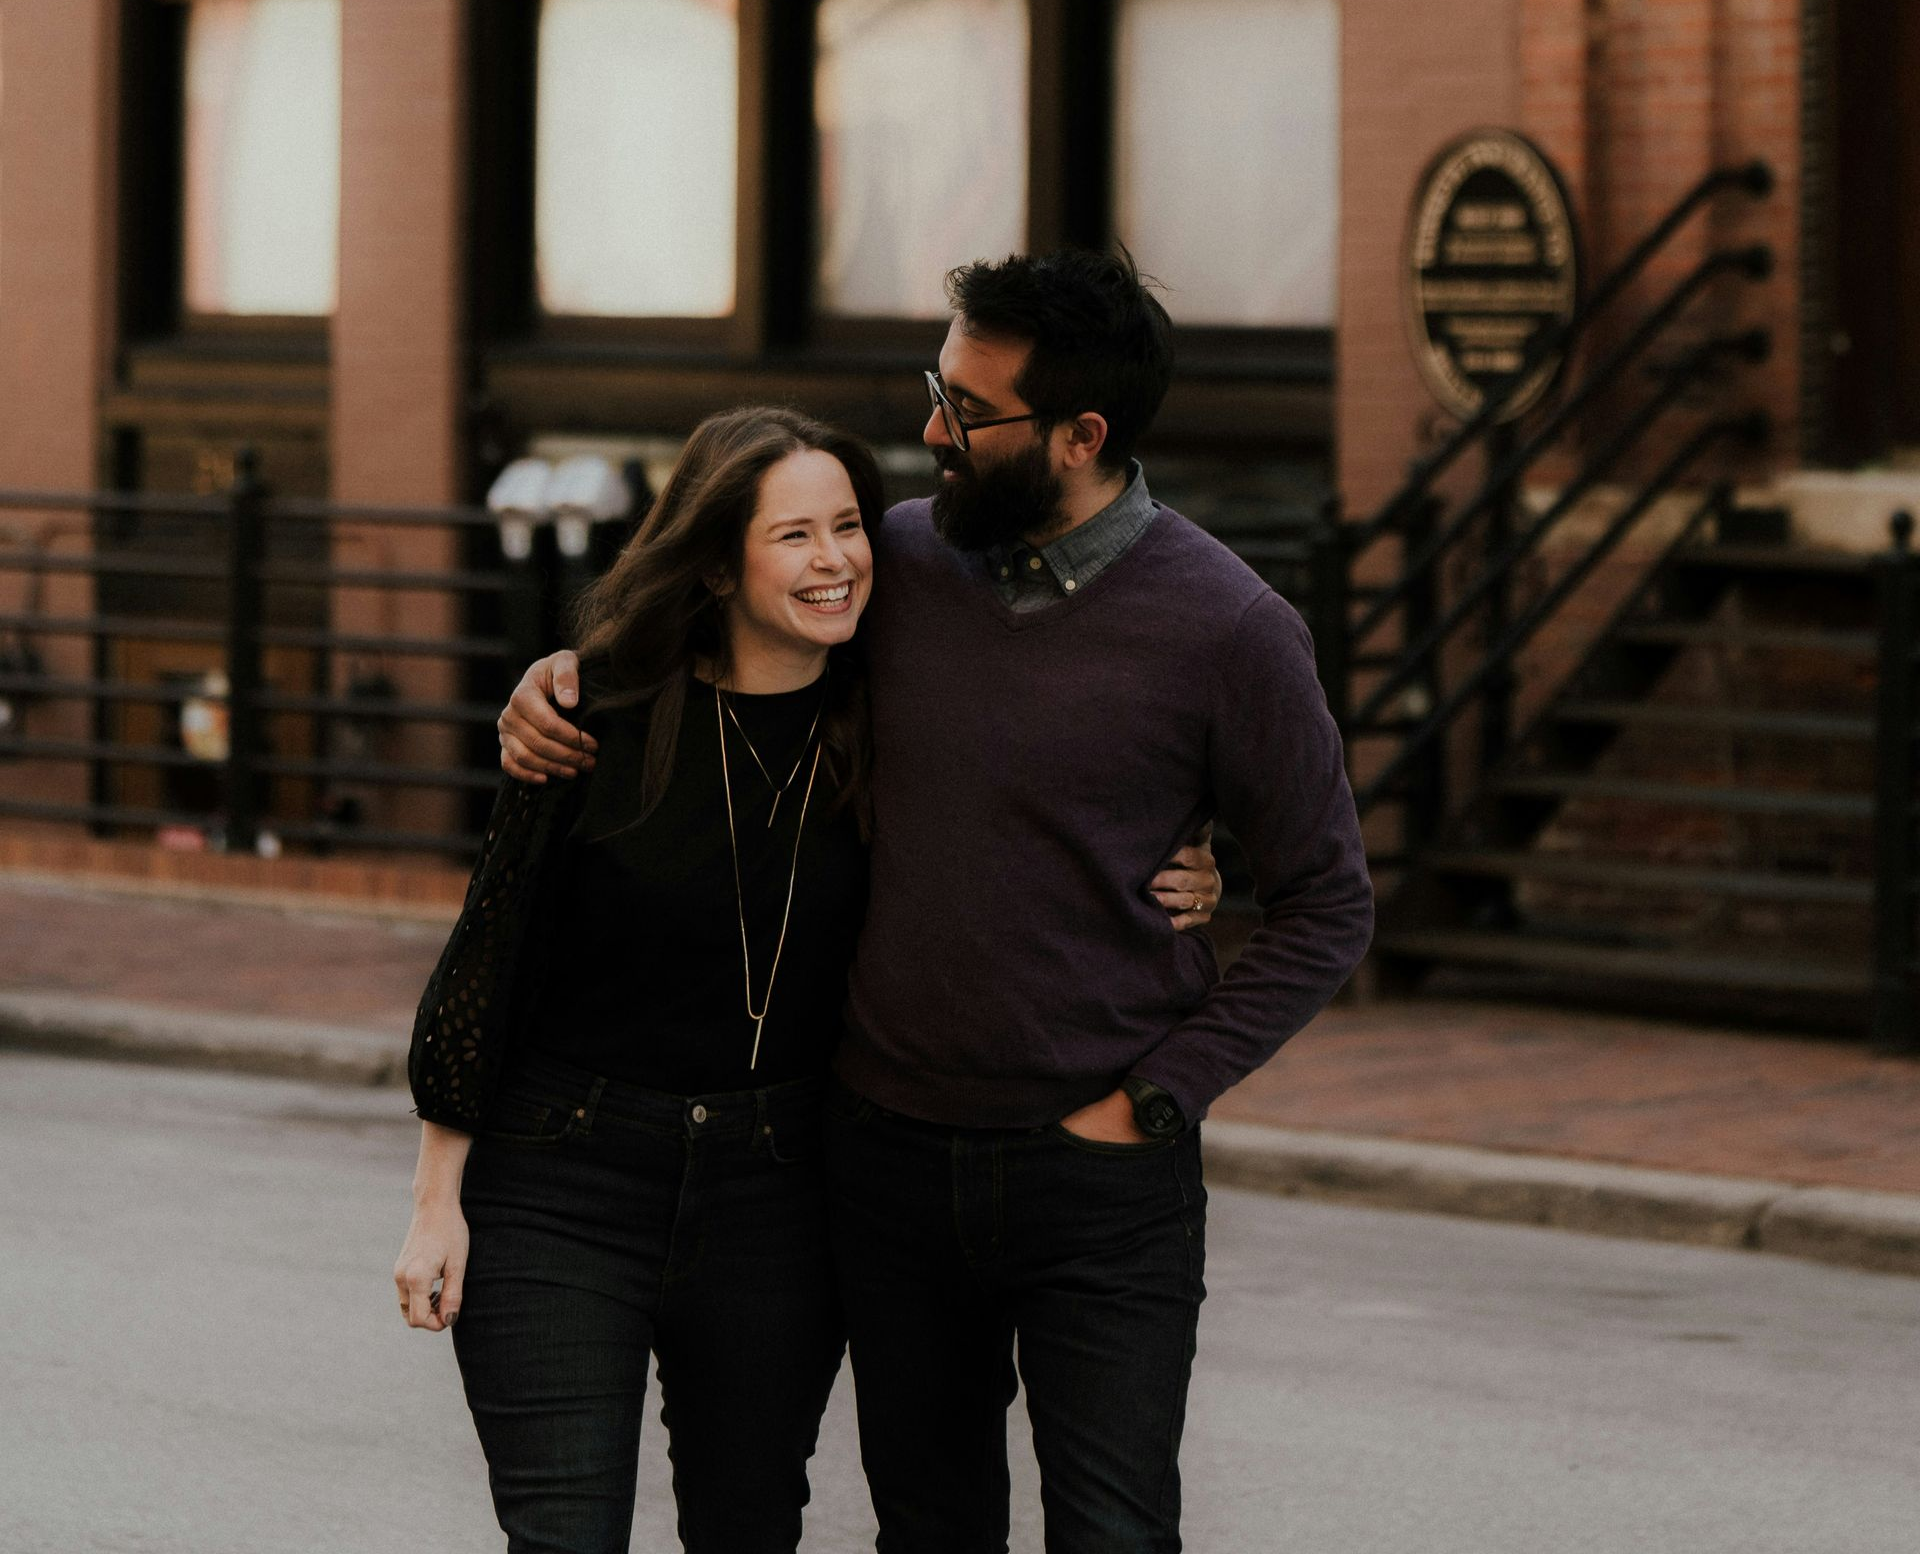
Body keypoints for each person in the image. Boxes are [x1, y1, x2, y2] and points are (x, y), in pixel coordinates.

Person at [498, 249, 1372, 1553]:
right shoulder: (897, 564)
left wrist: (1161, 1091)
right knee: (929, 1526)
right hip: (886, 1158)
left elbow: (1328, 901)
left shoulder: (1230, 628)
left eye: (967, 412)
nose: (930, 432)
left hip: (1099, 1181)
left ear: (1078, 436)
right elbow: (702, 638)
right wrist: (559, 678)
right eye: (935, 388)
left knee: (1114, 1530)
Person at [395, 402, 1223, 1554]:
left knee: (749, 1529)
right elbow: (488, 964)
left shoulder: (899, 720)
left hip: (776, 1190)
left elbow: (1051, 813)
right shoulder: (597, 721)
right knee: (563, 1531)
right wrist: (437, 1205)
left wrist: (1188, 865)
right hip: (566, 1179)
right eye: (794, 535)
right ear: (717, 560)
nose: (835, 560)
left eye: (848, 526)